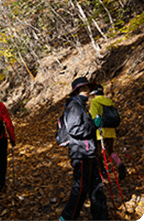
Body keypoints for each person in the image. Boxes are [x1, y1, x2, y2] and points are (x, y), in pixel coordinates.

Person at [59, 77, 109, 221]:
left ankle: (101, 216)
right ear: (77, 91)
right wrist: (93, 124)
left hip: (89, 152)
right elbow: (75, 129)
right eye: (83, 89)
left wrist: (95, 125)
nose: (87, 92)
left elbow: (85, 129)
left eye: (87, 89)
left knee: (96, 185)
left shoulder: (81, 106)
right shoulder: (74, 106)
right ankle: (66, 218)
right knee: (80, 189)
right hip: (80, 154)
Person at [89, 84, 126, 180]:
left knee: (98, 152)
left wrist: (95, 126)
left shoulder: (94, 101)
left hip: (100, 130)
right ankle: (120, 164)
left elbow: (94, 117)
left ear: (94, 93)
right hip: (111, 129)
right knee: (110, 150)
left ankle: (102, 171)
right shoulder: (109, 101)